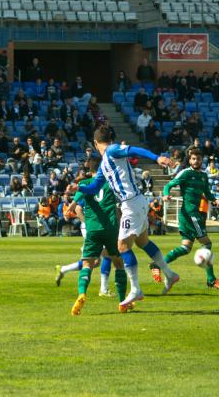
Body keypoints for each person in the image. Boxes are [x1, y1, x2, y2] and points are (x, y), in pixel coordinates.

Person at [71, 125, 179, 307]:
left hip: (131, 204)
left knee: (122, 246)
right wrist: (79, 187)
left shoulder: (112, 150)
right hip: (136, 202)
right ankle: (169, 273)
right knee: (142, 241)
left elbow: (133, 149)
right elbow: (94, 187)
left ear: (96, 143)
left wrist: (156, 158)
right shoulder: (105, 163)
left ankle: (136, 289)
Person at [64, 157, 130, 315]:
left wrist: (69, 210)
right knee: (119, 264)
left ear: (89, 168)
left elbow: (75, 206)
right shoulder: (111, 184)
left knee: (87, 264)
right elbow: (119, 206)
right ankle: (122, 302)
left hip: (92, 229)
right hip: (111, 228)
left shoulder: (85, 184)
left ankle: (82, 293)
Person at [155, 148, 219, 289]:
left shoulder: (204, 176)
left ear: (202, 160)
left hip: (193, 215)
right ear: (190, 160)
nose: (196, 161)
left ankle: (157, 264)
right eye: (193, 159)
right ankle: (211, 280)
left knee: (186, 248)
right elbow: (169, 185)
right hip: (190, 214)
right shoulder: (186, 173)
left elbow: (207, 192)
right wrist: (165, 195)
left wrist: (214, 200)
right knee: (206, 244)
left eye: (198, 159)